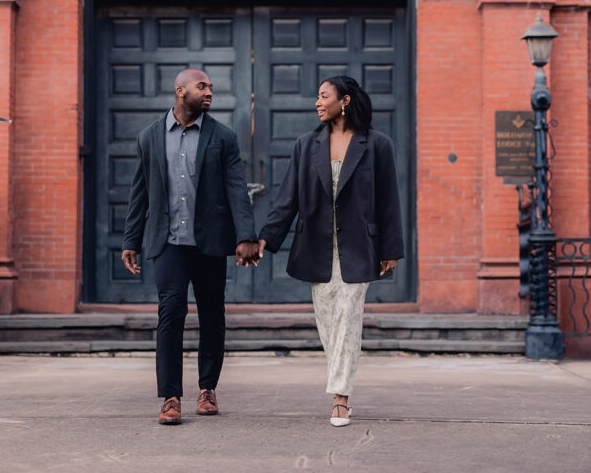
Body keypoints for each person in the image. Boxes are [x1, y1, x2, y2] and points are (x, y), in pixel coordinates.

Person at [258, 75, 404, 427]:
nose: (317, 102)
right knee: (328, 322)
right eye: (317, 97)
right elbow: (287, 199)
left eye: (324, 96)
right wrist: (265, 239)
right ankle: (341, 387)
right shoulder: (306, 145)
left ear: (345, 101)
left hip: (359, 247)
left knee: (348, 318)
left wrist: (391, 249)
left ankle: (341, 398)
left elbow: (389, 202)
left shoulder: (377, 145)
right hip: (317, 248)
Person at [121, 67, 260, 425]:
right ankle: (170, 397)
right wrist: (130, 239)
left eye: (211, 87)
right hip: (168, 241)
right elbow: (140, 192)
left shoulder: (223, 137)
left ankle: (207, 389)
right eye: (202, 86)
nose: (209, 92)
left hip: (209, 241)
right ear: (180, 91)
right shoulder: (149, 137)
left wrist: (245, 236)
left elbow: (236, 189)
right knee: (171, 312)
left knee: (213, 313)